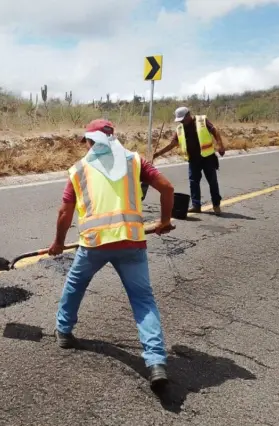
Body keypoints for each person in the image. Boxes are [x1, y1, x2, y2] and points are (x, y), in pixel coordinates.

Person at [48, 118, 175, 388]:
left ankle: (64, 331)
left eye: (88, 141)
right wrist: (164, 220)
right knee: (143, 300)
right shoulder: (135, 161)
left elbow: (64, 213)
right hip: (131, 242)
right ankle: (155, 362)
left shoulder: (79, 169)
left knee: (75, 284)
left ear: (90, 141)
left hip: (94, 244)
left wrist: (58, 242)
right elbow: (167, 187)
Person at [154, 107, 226, 214]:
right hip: (193, 160)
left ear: (189, 115)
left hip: (208, 157)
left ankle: (216, 205)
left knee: (212, 182)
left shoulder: (201, 120)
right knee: (193, 182)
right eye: (180, 120)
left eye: (183, 119)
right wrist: (158, 154)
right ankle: (196, 205)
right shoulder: (180, 129)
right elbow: (172, 144)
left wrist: (220, 145)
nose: (182, 121)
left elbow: (214, 130)